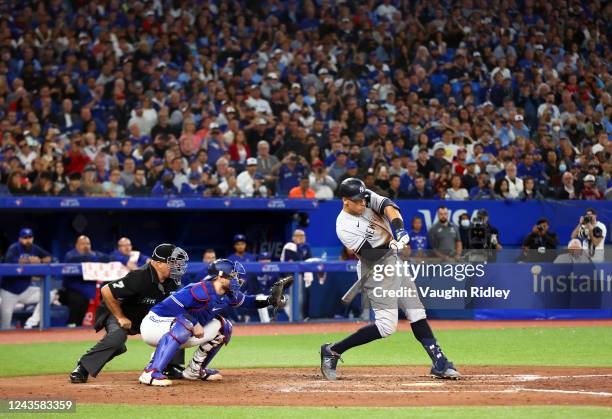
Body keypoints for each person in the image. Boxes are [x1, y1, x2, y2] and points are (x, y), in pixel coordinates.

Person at [320, 178, 459, 381]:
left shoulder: (366, 197)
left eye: (363, 199)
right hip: (374, 269)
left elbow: (388, 206)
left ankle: (440, 362)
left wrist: (399, 229)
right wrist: (391, 247)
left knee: (416, 311)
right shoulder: (344, 226)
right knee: (386, 327)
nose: (363, 204)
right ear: (345, 201)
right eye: (357, 201)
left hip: (393, 262)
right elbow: (369, 254)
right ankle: (333, 350)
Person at [138, 259, 285, 386]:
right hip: (154, 325)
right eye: (233, 275)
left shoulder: (228, 294)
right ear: (220, 277)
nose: (237, 279)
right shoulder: (198, 289)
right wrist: (194, 323)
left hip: (179, 329)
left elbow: (249, 301)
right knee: (187, 323)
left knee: (224, 326)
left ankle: (194, 371)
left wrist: (269, 300)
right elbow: (172, 306)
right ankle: (151, 372)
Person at [69, 244, 188, 384]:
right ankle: (83, 367)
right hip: (120, 312)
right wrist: (120, 317)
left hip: (147, 317)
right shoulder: (139, 276)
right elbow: (106, 291)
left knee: (178, 325)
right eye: (173, 263)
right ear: (158, 263)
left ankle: (170, 365)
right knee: (116, 340)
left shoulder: (173, 281)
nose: (177, 266)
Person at [1, 228, 52, 329]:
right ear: (20, 239)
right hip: (9, 292)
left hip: (26, 290)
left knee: (48, 295)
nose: (28, 240)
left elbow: (49, 258)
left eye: (30, 237)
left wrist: (40, 260)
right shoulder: (14, 247)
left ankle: (31, 322)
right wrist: (30, 260)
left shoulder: (35, 248)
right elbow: (9, 260)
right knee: (5, 326)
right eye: (25, 238)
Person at [60, 236, 109, 326]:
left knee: (85, 302)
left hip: (86, 293)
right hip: (69, 291)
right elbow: (74, 260)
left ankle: (77, 327)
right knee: (78, 300)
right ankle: (70, 324)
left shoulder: (93, 254)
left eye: (88, 244)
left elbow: (108, 258)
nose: (86, 246)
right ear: (77, 245)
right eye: (83, 244)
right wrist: (93, 257)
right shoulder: (71, 255)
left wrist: (93, 256)